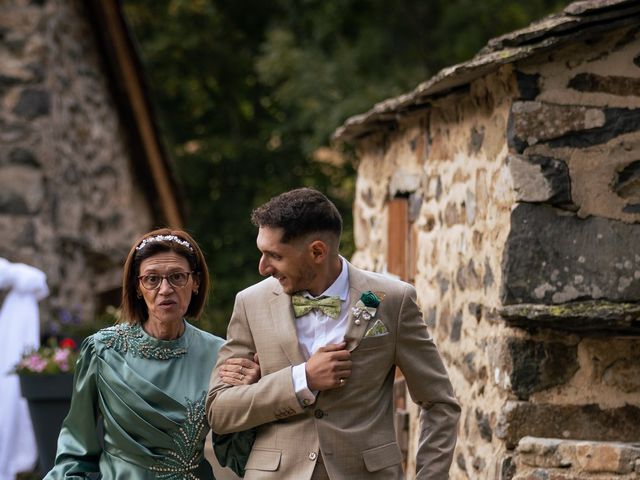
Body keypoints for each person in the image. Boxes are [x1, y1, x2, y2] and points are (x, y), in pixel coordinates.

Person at [206, 188, 461, 479]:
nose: (262, 267)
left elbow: (439, 403)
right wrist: (302, 379)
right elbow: (219, 411)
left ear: (317, 251)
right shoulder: (250, 303)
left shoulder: (392, 299)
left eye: (273, 255)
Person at [45, 228, 260, 479]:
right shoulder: (101, 350)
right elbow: (76, 450)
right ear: (138, 287)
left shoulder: (219, 353)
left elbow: (236, 455)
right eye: (152, 279)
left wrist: (251, 395)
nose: (165, 289)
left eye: (177, 277)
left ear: (196, 282)